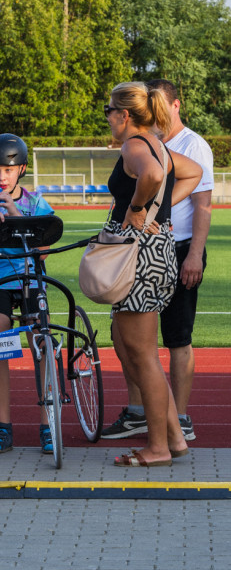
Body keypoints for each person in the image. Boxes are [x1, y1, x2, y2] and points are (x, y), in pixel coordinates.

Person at [101, 79, 213, 442]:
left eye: (108, 111)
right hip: (157, 253)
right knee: (135, 347)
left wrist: (138, 210)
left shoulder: (136, 144)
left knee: (144, 356)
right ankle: (174, 440)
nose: (107, 119)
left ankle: (160, 446)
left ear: (124, 114)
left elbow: (152, 175)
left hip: (142, 257)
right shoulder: (157, 144)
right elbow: (191, 173)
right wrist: (154, 212)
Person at [0, 133, 55, 454]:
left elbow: (43, 251)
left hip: (31, 279)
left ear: (21, 170)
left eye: (8, 170)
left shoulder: (36, 202)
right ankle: (3, 427)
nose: (1, 177)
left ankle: (47, 424)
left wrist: (17, 215)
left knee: (42, 343)